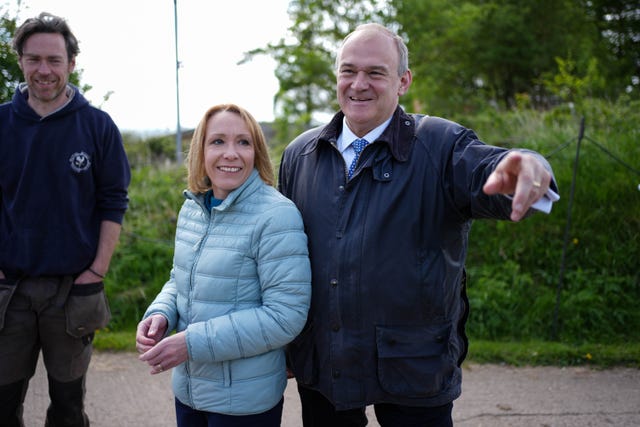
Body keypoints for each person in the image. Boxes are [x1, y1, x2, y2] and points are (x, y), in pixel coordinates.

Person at [278, 23, 560, 426]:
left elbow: (492, 168)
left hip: (414, 365)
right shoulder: (300, 154)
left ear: (403, 81)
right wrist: (286, 341)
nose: (359, 84)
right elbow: (282, 257)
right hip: (326, 362)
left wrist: (531, 166)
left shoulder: (442, 145)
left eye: (375, 72)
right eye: (348, 71)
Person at [136, 103, 312, 427]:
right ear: (200, 150)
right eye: (218, 141)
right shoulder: (192, 209)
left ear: (256, 152)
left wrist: (191, 343)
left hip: (245, 403)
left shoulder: (276, 215)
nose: (231, 153)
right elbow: (180, 279)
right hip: (189, 393)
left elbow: (286, 315)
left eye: (243, 142)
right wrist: (160, 314)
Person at [0, 12, 131, 427]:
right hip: (8, 292)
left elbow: (113, 203)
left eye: (54, 60)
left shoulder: (97, 127)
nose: (44, 70)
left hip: (73, 293)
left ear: (71, 63)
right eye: (34, 59)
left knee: (68, 409)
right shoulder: (2, 122)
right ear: (20, 60)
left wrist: (96, 271)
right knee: (3, 409)